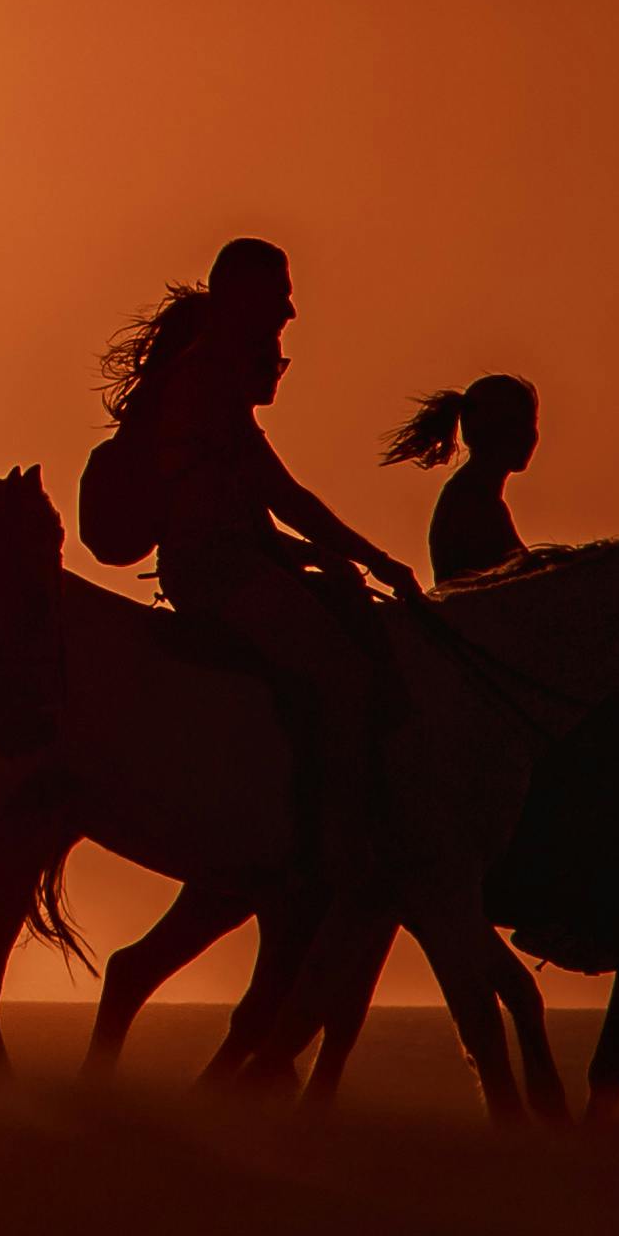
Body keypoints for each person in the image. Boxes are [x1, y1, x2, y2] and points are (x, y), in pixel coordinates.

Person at [89, 239, 416, 906]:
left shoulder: (212, 378)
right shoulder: (205, 380)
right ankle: (338, 839)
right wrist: (375, 559)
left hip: (231, 561)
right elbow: (280, 499)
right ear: (238, 296)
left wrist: (336, 558)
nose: (290, 310)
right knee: (344, 675)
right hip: (216, 572)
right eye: (278, 295)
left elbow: (261, 505)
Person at [383, 373, 542, 582]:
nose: (533, 437)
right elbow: (520, 580)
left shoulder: (471, 494)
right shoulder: (473, 502)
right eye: (529, 424)